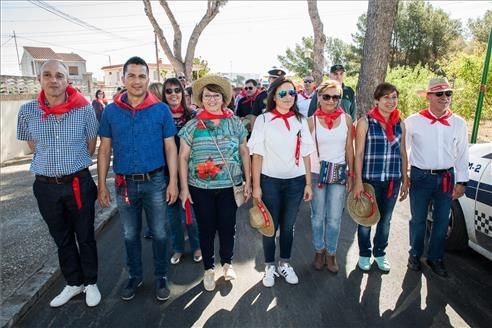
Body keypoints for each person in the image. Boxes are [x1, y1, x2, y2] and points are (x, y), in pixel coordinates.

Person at [16, 59, 101, 307]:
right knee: (61, 237)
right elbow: (33, 145)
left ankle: (91, 283)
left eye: (59, 75)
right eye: (47, 75)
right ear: (39, 79)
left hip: (78, 183)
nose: (53, 80)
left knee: (85, 236)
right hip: (45, 187)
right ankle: (74, 283)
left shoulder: (84, 110)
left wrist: (68, 165)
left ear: (68, 81)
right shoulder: (27, 111)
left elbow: (90, 145)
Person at [97, 56, 178, 302]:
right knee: (130, 234)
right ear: (123, 79)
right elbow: (104, 149)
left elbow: (170, 148)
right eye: (131, 75)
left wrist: (173, 181)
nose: (136, 81)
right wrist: (101, 184)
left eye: (142, 76)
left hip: (155, 181)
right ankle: (135, 276)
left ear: (148, 79)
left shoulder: (161, 110)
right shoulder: (111, 111)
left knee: (160, 232)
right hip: (124, 185)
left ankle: (162, 275)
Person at [178, 75, 251, 292]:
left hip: (230, 186)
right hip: (200, 188)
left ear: (224, 98)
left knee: (228, 227)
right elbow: (182, 157)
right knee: (207, 229)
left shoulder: (235, 123)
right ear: (201, 98)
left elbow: (244, 152)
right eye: (207, 96)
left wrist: (248, 181)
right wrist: (184, 188)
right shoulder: (192, 126)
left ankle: (227, 263)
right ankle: (209, 269)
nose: (212, 99)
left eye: (216, 95)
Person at [248, 76, 315, 287]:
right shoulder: (264, 120)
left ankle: (284, 264)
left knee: (288, 226)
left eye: (291, 93)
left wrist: (308, 183)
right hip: (270, 182)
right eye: (283, 93)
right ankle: (269, 265)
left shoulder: (301, 120)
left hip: (295, 183)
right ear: (274, 96)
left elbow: (306, 154)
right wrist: (256, 186)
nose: (288, 97)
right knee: (269, 226)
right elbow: (256, 154)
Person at [405, 78, 469, 277]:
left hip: (447, 178)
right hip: (420, 176)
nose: (445, 98)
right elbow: (403, 151)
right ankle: (415, 254)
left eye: (448, 93)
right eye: (439, 94)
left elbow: (462, 153)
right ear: (428, 96)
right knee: (418, 220)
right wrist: (404, 175)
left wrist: (462, 181)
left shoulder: (459, 123)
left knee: (442, 220)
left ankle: (435, 257)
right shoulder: (413, 121)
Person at [353, 82, 409, 273]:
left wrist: (405, 178)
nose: (390, 101)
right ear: (376, 100)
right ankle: (364, 254)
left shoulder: (400, 123)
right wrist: (358, 181)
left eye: (394, 97)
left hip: (393, 180)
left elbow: (402, 152)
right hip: (370, 180)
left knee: (385, 220)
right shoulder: (365, 122)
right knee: (366, 219)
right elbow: (358, 154)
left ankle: (380, 253)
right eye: (386, 97)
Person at [308, 80, 354, 273]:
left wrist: (351, 173)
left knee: (334, 218)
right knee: (317, 217)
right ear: (319, 97)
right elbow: (305, 151)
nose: (331, 100)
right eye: (326, 96)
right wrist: (307, 181)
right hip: (317, 174)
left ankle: (331, 253)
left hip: (338, 174)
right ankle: (319, 250)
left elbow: (349, 149)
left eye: (335, 97)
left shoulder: (347, 119)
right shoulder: (310, 121)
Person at [161, 77, 202, 265]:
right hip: (165, 173)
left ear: (183, 93)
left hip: (190, 172)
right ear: (164, 94)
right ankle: (178, 248)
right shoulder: (159, 115)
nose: (173, 94)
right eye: (168, 91)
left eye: (177, 90)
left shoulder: (193, 116)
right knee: (172, 217)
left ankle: (197, 246)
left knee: (192, 215)